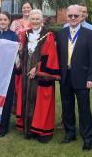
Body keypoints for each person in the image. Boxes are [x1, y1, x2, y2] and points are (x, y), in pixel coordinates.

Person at [56, 5, 92, 151]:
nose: (73, 18)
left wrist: (91, 78)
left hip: (83, 77)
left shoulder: (90, 34)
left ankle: (87, 138)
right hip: (65, 76)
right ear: (67, 16)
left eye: (76, 16)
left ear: (81, 16)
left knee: (84, 109)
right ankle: (70, 133)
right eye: (70, 16)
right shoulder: (60, 33)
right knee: (67, 107)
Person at [16, 9, 60, 143]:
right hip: (26, 74)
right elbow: (23, 55)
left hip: (40, 75)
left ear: (41, 20)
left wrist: (37, 68)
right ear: (30, 20)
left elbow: (50, 56)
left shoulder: (48, 35)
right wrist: (19, 51)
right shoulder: (25, 34)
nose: (35, 21)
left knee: (40, 102)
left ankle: (41, 131)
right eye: (33, 19)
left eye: (37, 19)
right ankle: (28, 129)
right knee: (27, 99)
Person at [0, 11, 19, 137]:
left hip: (8, 73)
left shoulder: (13, 36)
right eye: (0, 19)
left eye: (5, 20)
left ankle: (3, 127)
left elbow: (16, 54)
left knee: (6, 100)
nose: (2, 22)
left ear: (9, 21)